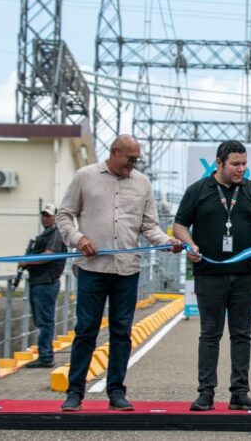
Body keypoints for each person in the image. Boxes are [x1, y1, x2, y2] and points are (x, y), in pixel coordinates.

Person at [55, 135, 182, 413]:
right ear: (114, 152)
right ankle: (75, 392)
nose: (133, 164)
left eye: (137, 160)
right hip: (92, 269)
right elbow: (63, 215)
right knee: (86, 330)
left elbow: (149, 226)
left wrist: (167, 242)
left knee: (122, 332)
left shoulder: (142, 183)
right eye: (130, 159)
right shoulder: (85, 177)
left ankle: (116, 392)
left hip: (127, 270)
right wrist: (78, 239)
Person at [172, 140, 251, 412]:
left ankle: (240, 393)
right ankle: (205, 393)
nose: (241, 169)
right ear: (219, 163)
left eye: (244, 164)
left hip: (246, 275)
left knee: (241, 335)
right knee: (209, 334)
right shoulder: (198, 190)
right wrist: (190, 245)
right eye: (235, 164)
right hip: (209, 274)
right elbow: (179, 224)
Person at [19, 203, 67, 368]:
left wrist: (26, 261)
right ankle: (44, 354)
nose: (45, 218)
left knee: (45, 321)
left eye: (48, 215)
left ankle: (46, 356)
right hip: (39, 281)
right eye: (44, 215)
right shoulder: (46, 234)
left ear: (55, 217)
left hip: (46, 282)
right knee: (41, 320)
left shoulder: (55, 234)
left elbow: (49, 255)